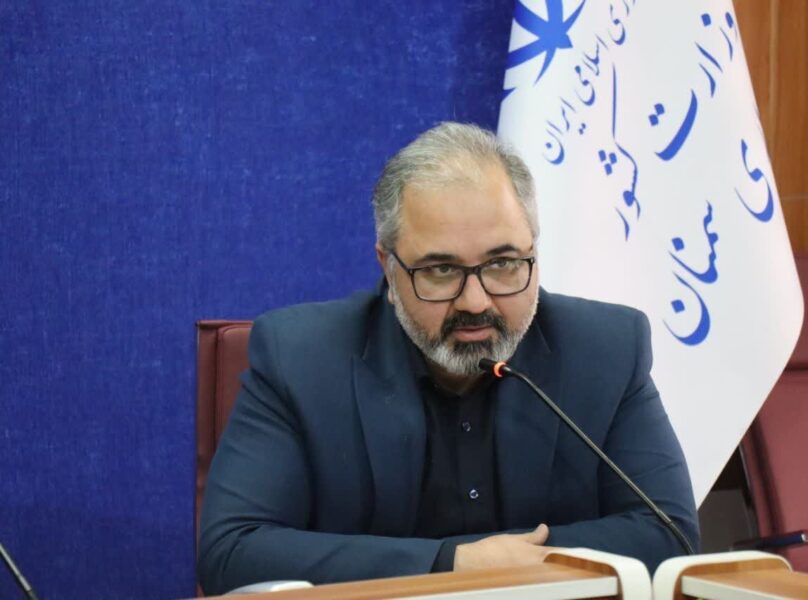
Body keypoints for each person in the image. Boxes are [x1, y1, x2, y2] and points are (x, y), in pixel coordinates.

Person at [197, 122, 699, 595]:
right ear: (388, 267)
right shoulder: (300, 358)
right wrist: (451, 563)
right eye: (440, 270)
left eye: (503, 263)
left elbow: (669, 534)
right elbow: (233, 550)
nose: (475, 301)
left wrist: (517, 568)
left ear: (534, 250)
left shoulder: (605, 349)